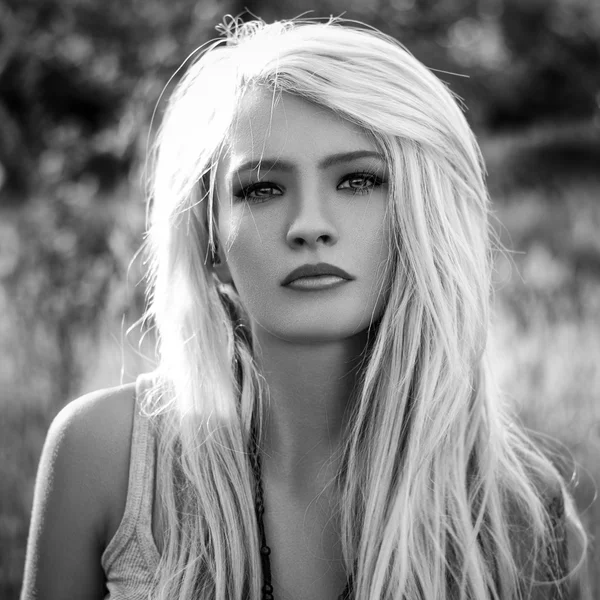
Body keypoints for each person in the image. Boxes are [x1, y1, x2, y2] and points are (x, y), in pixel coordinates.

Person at [21, 16, 587, 600]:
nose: (310, 225)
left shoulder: (518, 515)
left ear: (426, 214)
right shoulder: (105, 456)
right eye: (262, 189)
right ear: (210, 243)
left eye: (359, 181)